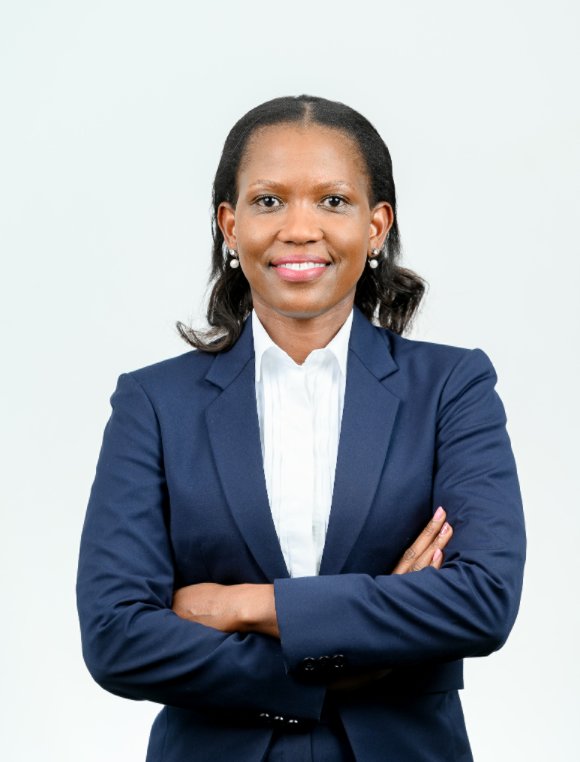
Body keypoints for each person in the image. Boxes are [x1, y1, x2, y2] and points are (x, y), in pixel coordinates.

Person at [77, 95, 526, 762]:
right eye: (268, 201)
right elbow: (116, 637)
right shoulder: (154, 403)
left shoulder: (451, 388)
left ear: (376, 226)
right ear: (230, 226)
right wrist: (339, 667)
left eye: (333, 201)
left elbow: (481, 600)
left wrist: (245, 605)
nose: (299, 228)